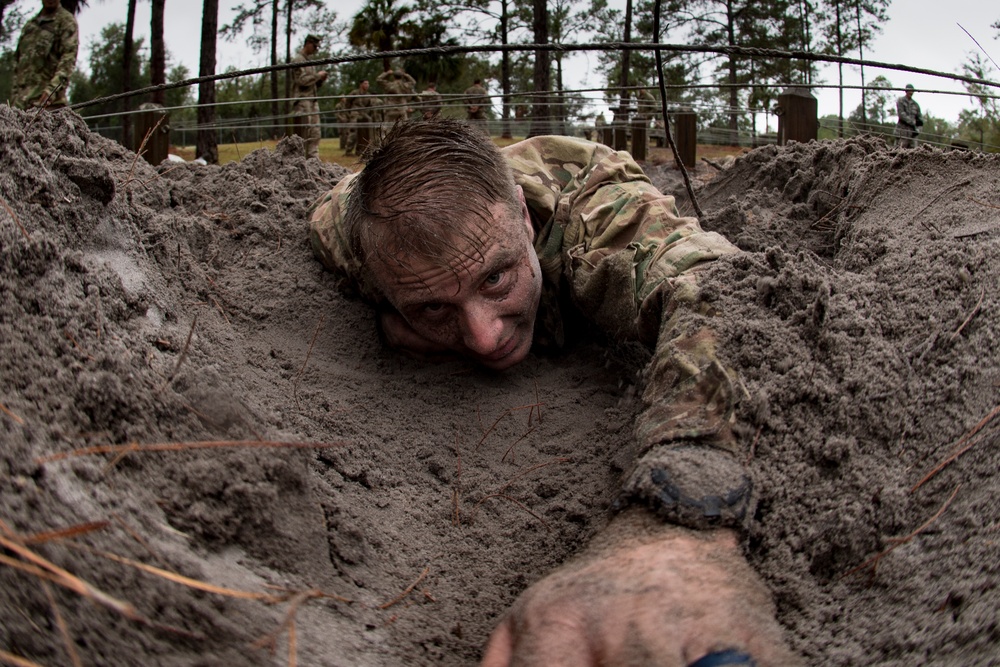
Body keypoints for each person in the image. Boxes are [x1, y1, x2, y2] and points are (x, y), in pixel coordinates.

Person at [309, 119, 799, 666]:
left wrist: (681, 522)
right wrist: (385, 327)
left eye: (496, 279)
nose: (484, 337)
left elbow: (723, 294)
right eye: (433, 307)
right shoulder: (350, 236)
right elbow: (328, 213)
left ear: (523, 218)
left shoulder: (598, 214)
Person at [12, 0, 79, 110]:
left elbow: (68, 60)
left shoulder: (66, 22)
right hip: (21, 106)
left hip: (48, 105)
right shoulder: (30, 26)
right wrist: (15, 97)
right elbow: (18, 63)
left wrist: (51, 91)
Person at [290, 34, 329, 160]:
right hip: (302, 101)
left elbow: (313, 85)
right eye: (314, 46)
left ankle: (313, 161)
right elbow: (301, 81)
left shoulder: (310, 62)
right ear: (307, 43)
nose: (316, 49)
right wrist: (317, 76)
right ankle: (298, 161)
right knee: (303, 133)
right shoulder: (298, 60)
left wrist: (321, 80)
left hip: (312, 100)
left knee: (315, 132)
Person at [343, 79, 379, 157]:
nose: (367, 85)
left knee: (365, 133)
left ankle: (361, 151)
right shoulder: (355, 93)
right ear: (361, 84)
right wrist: (348, 113)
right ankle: (348, 151)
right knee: (354, 132)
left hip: (364, 114)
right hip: (355, 113)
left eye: (368, 84)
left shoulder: (368, 95)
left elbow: (370, 106)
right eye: (365, 83)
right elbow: (347, 101)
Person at [895, 84, 922, 149]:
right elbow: (901, 114)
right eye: (909, 91)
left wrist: (918, 129)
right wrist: (912, 121)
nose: (911, 92)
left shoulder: (915, 104)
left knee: (913, 153)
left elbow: (919, 119)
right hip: (902, 132)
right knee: (899, 151)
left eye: (912, 91)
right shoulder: (901, 100)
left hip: (912, 134)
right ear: (906, 91)